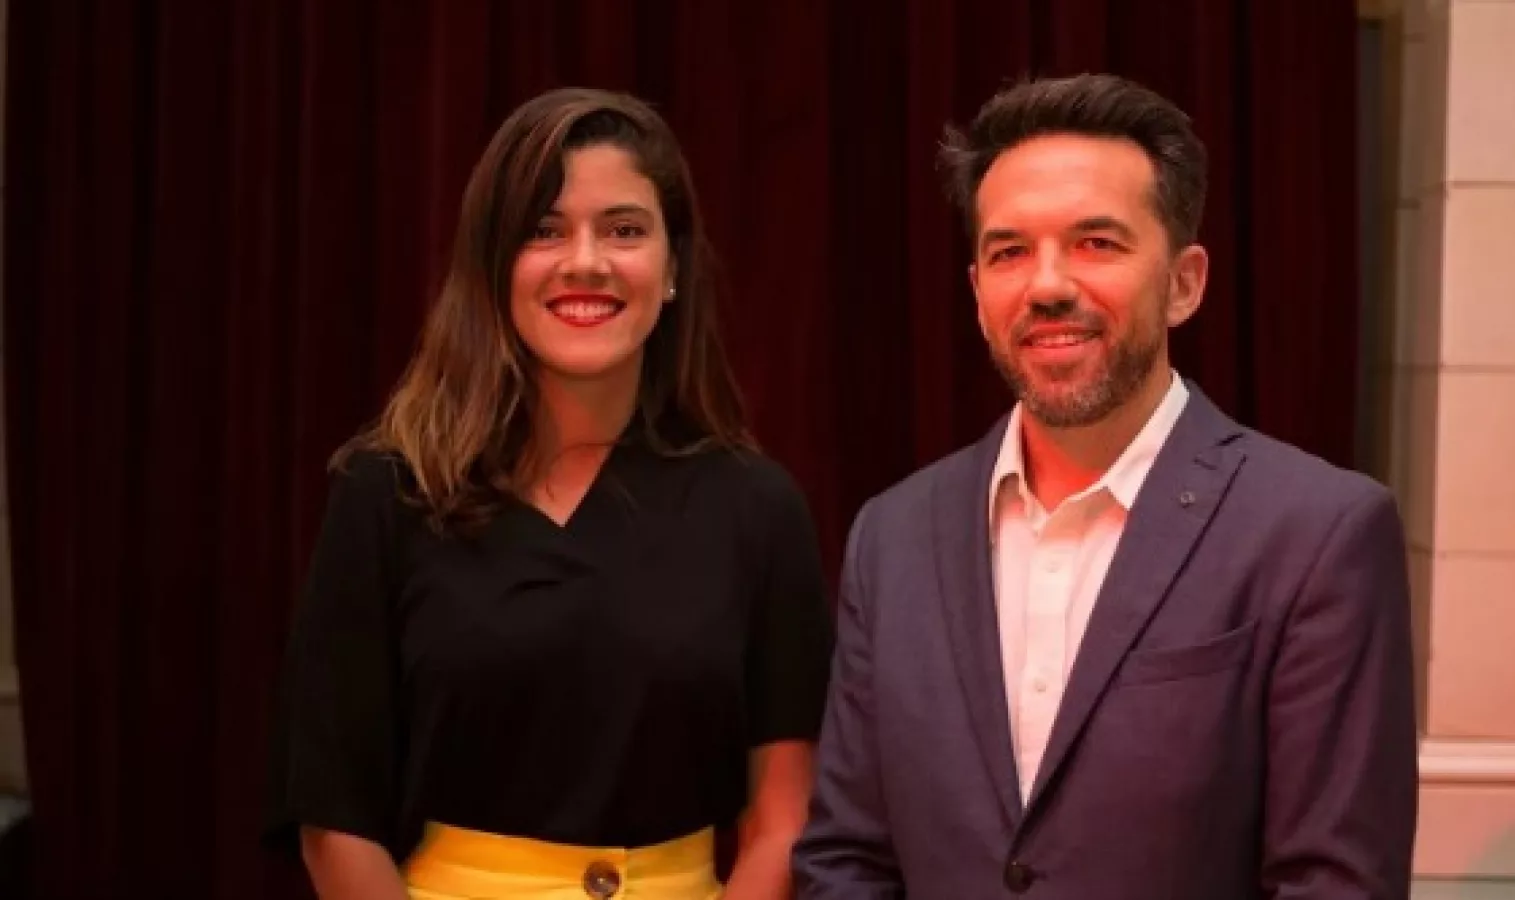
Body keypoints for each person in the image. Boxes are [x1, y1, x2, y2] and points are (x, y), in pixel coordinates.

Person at [792, 73, 1418, 899]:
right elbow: (846, 859)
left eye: (1096, 243)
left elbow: (1336, 886)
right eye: (1010, 252)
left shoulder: (1318, 533)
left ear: (1184, 283)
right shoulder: (893, 535)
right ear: (978, 294)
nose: (1048, 285)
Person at [265, 87, 834, 900]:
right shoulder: (387, 493)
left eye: (624, 230)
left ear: (674, 267)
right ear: (494, 265)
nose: (586, 261)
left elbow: (785, 820)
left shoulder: (759, 509)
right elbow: (334, 818)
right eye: (544, 230)